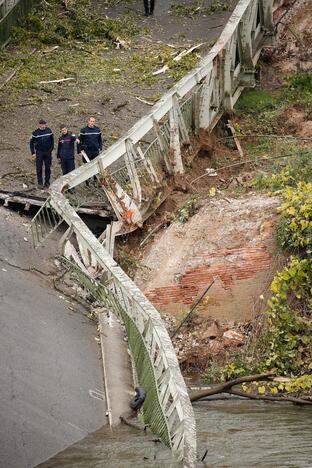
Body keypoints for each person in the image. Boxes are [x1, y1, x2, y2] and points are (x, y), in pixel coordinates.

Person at [30, 119, 54, 189]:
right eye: (42, 124)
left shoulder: (49, 130)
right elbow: (31, 143)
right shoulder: (35, 133)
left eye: (45, 124)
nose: (44, 126)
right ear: (39, 125)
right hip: (39, 152)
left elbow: (52, 140)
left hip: (48, 152)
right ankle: (40, 183)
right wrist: (33, 153)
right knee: (39, 168)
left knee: (48, 168)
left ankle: (47, 182)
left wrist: (51, 149)